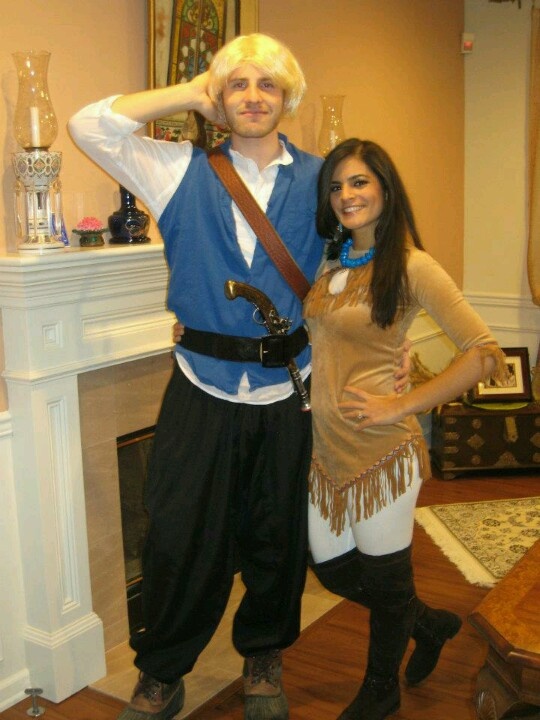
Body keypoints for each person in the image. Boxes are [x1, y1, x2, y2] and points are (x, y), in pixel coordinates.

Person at [69, 33, 408, 720]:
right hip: (200, 383)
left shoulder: (321, 180)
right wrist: (193, 90)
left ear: (288, 98)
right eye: (238, 85)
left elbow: (374, 264)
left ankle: (262, 656)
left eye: (268, 85)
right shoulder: (174, 169)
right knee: (175, 533)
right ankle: (163, 669)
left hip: (289, 387)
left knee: (275, 532)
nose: (253, 97)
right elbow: (87, 125)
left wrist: (394, 346)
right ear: (219, 98)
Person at [302, 138, 508, 720]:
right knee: (334, 568)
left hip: (382, 451)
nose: (347, 195)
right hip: (326, 450)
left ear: (386, 190)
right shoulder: (332, 263)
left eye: (360, 182)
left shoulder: (414, 265)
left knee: (385, 576)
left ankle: (380, 689)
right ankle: (430, 623)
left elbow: (482, 352)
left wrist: (404, 404)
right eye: (337, 186)